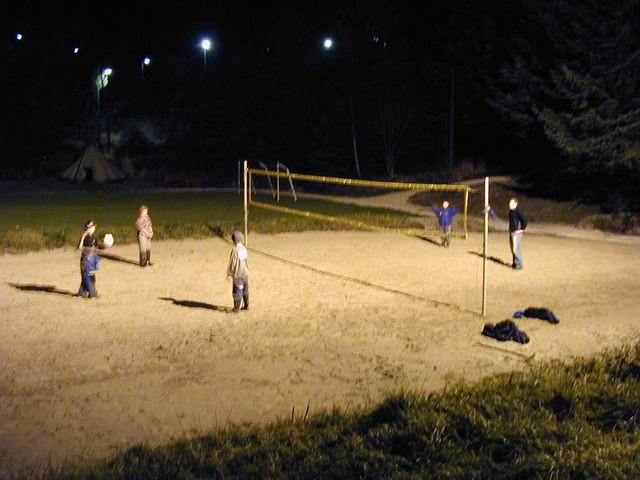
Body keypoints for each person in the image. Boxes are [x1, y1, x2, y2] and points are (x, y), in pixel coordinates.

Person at [226, 231, 250, 313]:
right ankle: (246, 305)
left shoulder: (235, 250)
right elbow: (245, 261)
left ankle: (236, 309)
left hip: (238, 274)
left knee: (237, 291)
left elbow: (233, 263)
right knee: (245, 291)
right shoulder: (244, 249)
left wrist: (229, 274)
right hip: (245, 273)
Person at [77, 220, 100, 298]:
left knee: (91, 277)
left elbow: (96, 249)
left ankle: (81, 292)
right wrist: (83, 236)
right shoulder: (86, 238)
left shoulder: (94, 238)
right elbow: (79, 247)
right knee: (87, 277)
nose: (93, 228)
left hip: (92, 260)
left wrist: (96, 261)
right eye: (90, 226)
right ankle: (92, 292)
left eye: (93, 226)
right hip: (86, 260)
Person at [508, 198, 527, 269]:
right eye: (509, 203)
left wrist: (521, 229)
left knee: (515, 248)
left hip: (517, 233)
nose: (510, 205)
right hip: (511, 232)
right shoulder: (510, 212)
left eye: (511, 203)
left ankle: (519, 264)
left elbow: (525, 221)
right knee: (512, 247)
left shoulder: (519, 211)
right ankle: (515, 262)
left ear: (516, 204)